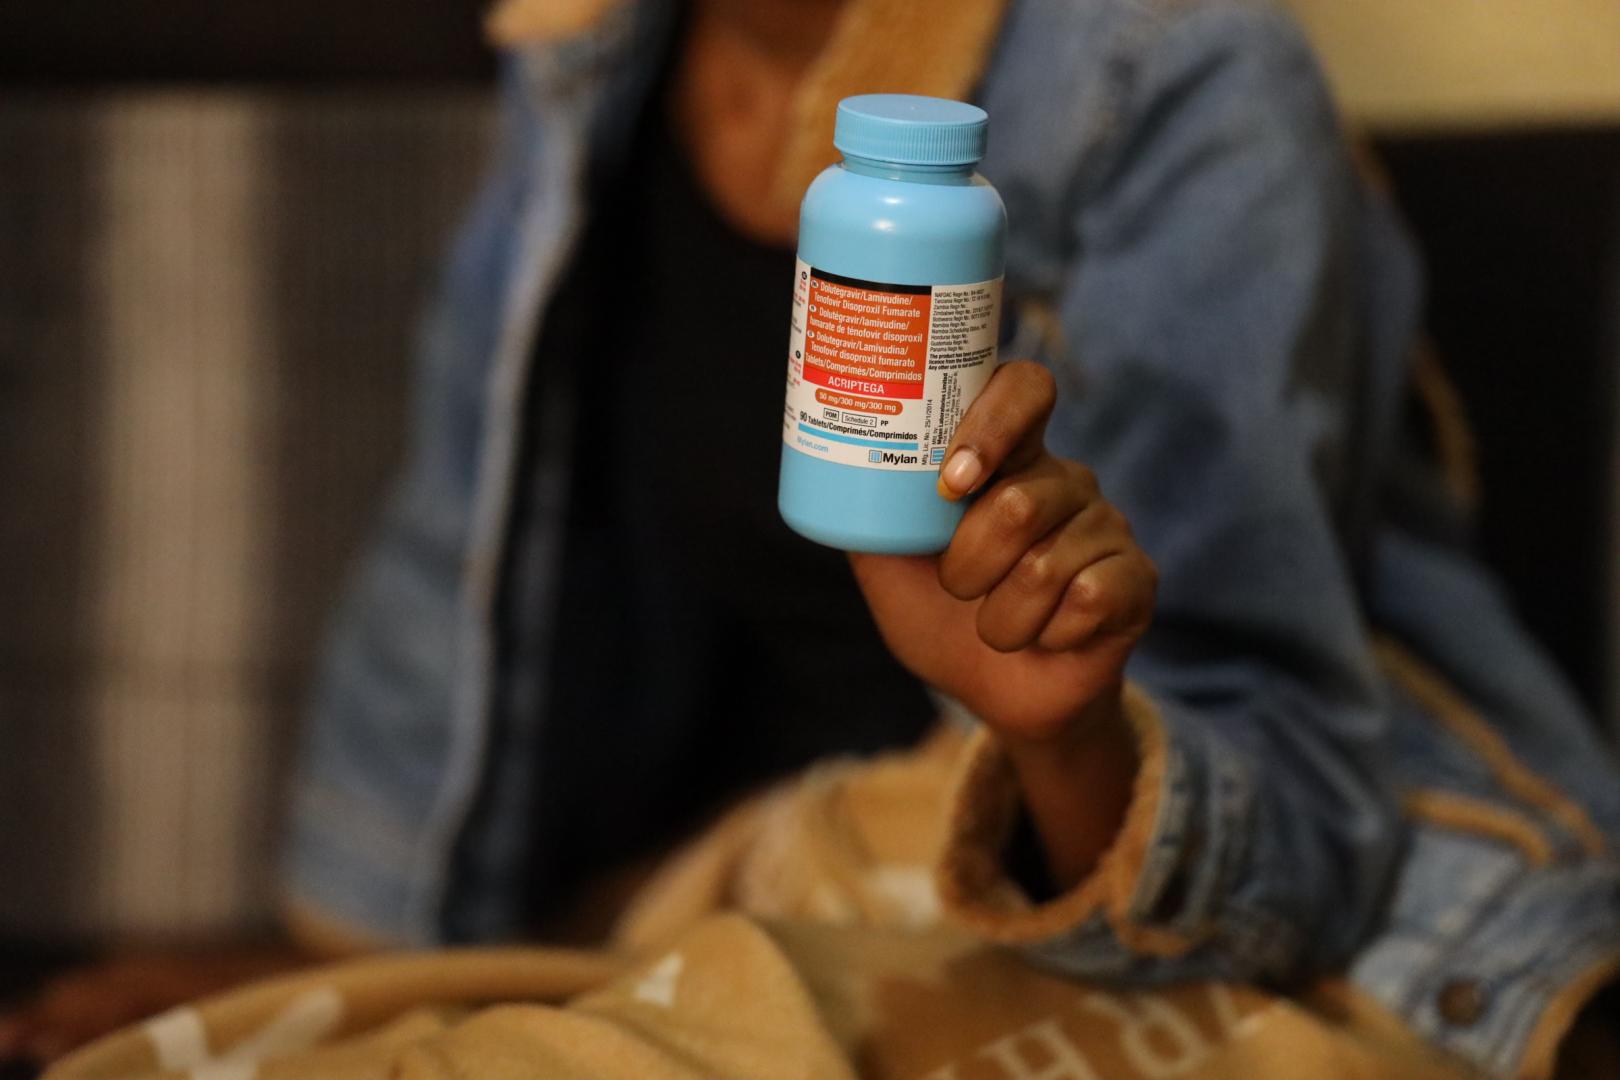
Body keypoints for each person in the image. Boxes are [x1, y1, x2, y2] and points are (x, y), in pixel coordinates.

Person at [4, 0, 1618, 1076]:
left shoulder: (1171, 69)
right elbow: (460, 578)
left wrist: (1056, 733)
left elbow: (1290, 821)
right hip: (710, 894)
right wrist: (319, 945)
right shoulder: (588, 60)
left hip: (1110, 911)